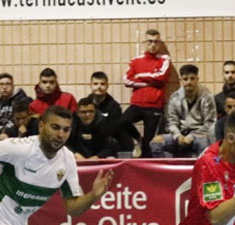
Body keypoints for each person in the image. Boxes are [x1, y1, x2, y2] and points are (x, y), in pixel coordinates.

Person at [113, 29, 172, 158]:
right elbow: (127, 80)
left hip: (154, 106)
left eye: (156, 42)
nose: (153, 45)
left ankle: (146, 171)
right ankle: (138, 139)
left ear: (160, 43)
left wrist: (140, 76)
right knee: (122, 122)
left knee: (148, 145)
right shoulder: (135, 61)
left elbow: (162, 78)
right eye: (150, 41)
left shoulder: (165, 59)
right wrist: (149, 82)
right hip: (137, 104)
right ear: (145, 42)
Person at [151, 64, 216, 158]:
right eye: (185, 79)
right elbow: (171, 122)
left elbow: (210, 124)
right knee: (156, 142)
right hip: (180, 134)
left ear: (197, 79)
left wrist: (191, 137)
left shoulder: (207, 97)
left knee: (204, 145)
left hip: (200, 135)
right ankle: (167, 170)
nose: (189, 82)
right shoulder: (175, 97)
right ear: (181, 80)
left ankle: (201, 171)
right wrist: (177, 136)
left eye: (192, 78)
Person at [88, 71, 138, 153]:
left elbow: (111, 130)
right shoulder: (85, 104)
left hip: (110, 143)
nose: (99, 87)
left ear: (107, 86)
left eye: (102, 84)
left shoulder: (114, 106)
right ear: (90, 85)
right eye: (95, 84)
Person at [0, 73, 28, 139]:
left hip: (18, 136)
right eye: (1, 84)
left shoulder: (23, 101)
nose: (4, 87)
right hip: (0, 137)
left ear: (13, 86)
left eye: (8, 84)